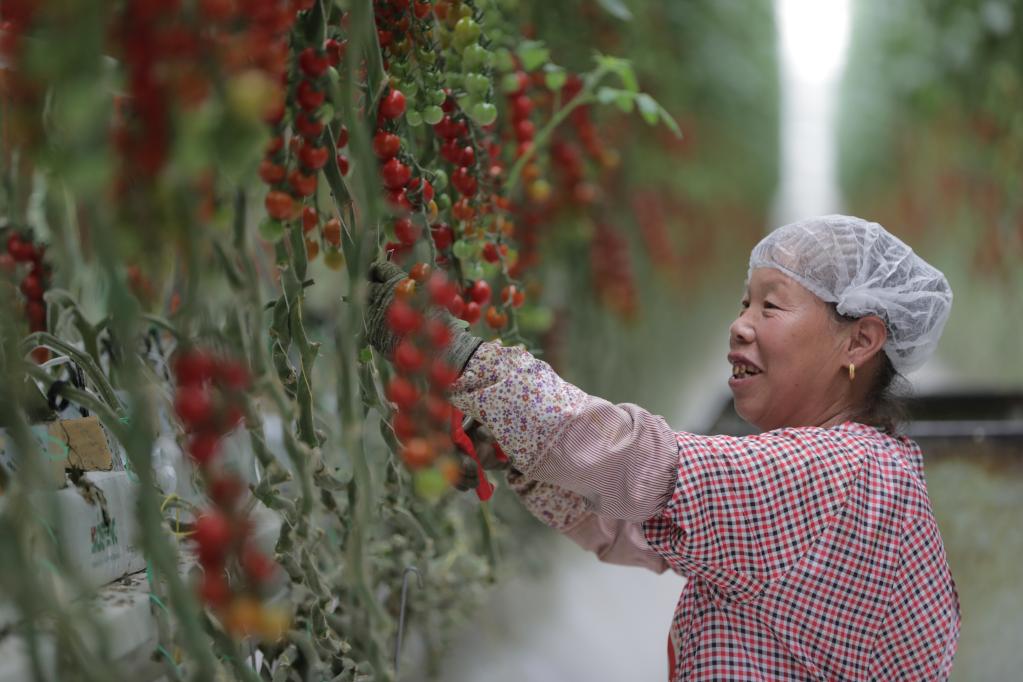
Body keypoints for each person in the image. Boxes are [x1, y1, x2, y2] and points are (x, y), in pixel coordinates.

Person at [367, 214, 960, 681]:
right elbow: (643, 523)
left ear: (860, 340)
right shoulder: (852, 469)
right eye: (743, 303)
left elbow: (638, 466)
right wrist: (514, 451)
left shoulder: (840, 473)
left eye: (771, 305)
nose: (741, 324)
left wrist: (459, 354)